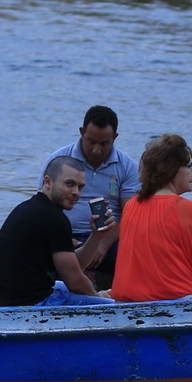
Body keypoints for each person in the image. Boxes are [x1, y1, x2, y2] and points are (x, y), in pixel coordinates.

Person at [0, 157, 119, 307]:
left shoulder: (32, 208)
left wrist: (97, 237)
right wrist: (97, 298)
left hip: (2, 302)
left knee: (73, 290)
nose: (76, 192)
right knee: (108, 304)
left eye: (80, 187)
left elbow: (74, 267)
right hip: (26, 307)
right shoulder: (53, 218)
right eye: (69, 184)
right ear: (48, 182)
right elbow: (75, 282)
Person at [111, 133, 192, 303]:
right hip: (177, 301)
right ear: (172, 169)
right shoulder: (190, 210)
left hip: (127, 302)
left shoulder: (131, 205)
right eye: (189, 166)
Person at [43, 105, 139, 283]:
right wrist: (64, 240)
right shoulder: (58, 161)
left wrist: (102, 243)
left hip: (108, 239)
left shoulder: (127, 167)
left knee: (139, 253)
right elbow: (42, 208)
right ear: (81, 132)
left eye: (104, 144)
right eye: (91, 142)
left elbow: (130, 216)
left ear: (115, 138)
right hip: (64, 237)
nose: (96, 150)